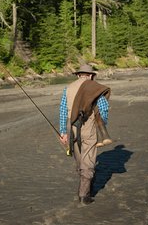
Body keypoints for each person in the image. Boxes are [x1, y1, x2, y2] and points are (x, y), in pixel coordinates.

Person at [59, 64, 112, 205]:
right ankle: (84, 195)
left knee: (80, 159)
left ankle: (85, 183)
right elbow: (103, 108)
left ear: (78, 75)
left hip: (71, 129)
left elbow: (63, 111)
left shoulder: (67, 88)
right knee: (88, 159)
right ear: (91, 75)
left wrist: (63, 132)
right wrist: (102, 126)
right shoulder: (95, 87)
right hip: (89, 127)